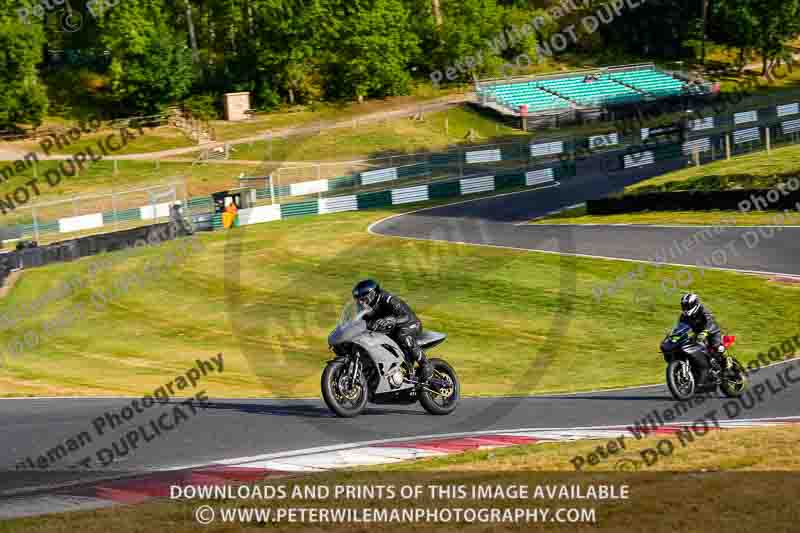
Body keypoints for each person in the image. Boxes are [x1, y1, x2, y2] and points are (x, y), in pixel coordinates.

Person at [352, 279, 434, 381]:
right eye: (358, 299)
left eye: (363, 298)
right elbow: (362, 323)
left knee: (402, 334)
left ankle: (426, 365)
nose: (361, 302)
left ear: (372, 293)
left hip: (410, 323)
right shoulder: (366, 308)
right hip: (390, 329)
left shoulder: (387, 299)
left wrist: (391, 320)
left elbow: (405, 316)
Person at [680, 293, 732, 380]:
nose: (686, 308)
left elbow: (710, 322)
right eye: (684, 306)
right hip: (698, 334)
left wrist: (705, 332)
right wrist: (676, 335)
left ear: (694, 304)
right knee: (692, 348)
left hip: (712, 331)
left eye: (687, 305)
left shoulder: (703, 311)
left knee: (717, 347)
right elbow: (680, 327)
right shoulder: (684, 316)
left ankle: (727, 363)